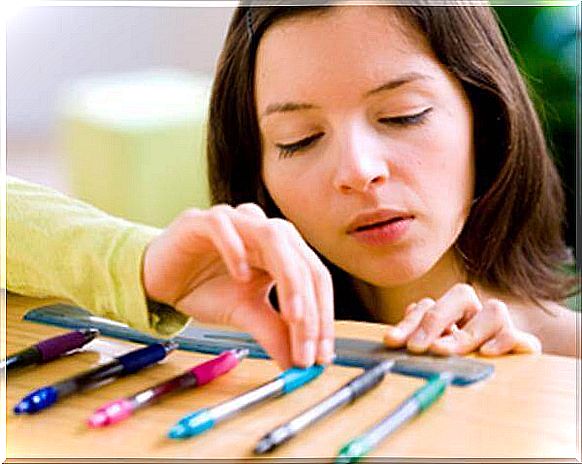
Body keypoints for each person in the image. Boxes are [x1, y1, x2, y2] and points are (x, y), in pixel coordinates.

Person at [8, 4, 579, 370]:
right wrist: (139, 260)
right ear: (257, 166)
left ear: (486, 114)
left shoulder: (564, 364)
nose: (358, 170)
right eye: (300, 139)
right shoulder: (223, 343)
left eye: (404, 115)